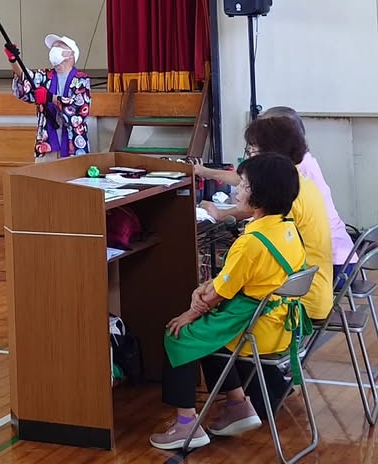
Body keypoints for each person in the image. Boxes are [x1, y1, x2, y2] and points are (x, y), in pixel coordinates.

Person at [152, 153, 310, 450]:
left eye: (244, 185)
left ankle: (186, 424)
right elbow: (233, 280)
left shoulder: (250, 242)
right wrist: (207, 290)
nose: (237, 190)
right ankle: (237, 405)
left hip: (256, 329)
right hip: (282, 325)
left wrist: (191, 311)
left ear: (260, 194)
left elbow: (218, 294)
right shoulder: (289, 228)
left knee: (179, 335)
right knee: (207, 334)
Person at [199, 114, 334, 419]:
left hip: (295, 302)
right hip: (306, 288)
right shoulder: (298, 184)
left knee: (212, 319)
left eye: (253, 152)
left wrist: (206, 293)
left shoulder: (286, 201)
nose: (249, 159)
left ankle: (240, 403)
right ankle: (267, 391)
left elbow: (255, 257)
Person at [196, 106, 355, 288]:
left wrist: (222, 215)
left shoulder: (289, 182)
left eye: (253, 151)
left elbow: (255, 211)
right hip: (325, 268)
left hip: (317, 277)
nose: (252, 157)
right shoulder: (298, 172)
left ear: (273, 147)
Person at [10, 34, 91, 159]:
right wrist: (14, 60)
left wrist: (50, 97)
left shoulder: (81, 79)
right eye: (53, 47)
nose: (54, 49)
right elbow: (27, 78)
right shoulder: (45, 76)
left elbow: (79, 108)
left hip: (73, 146)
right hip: (47, 144)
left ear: (71, 54)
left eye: (59, 46)